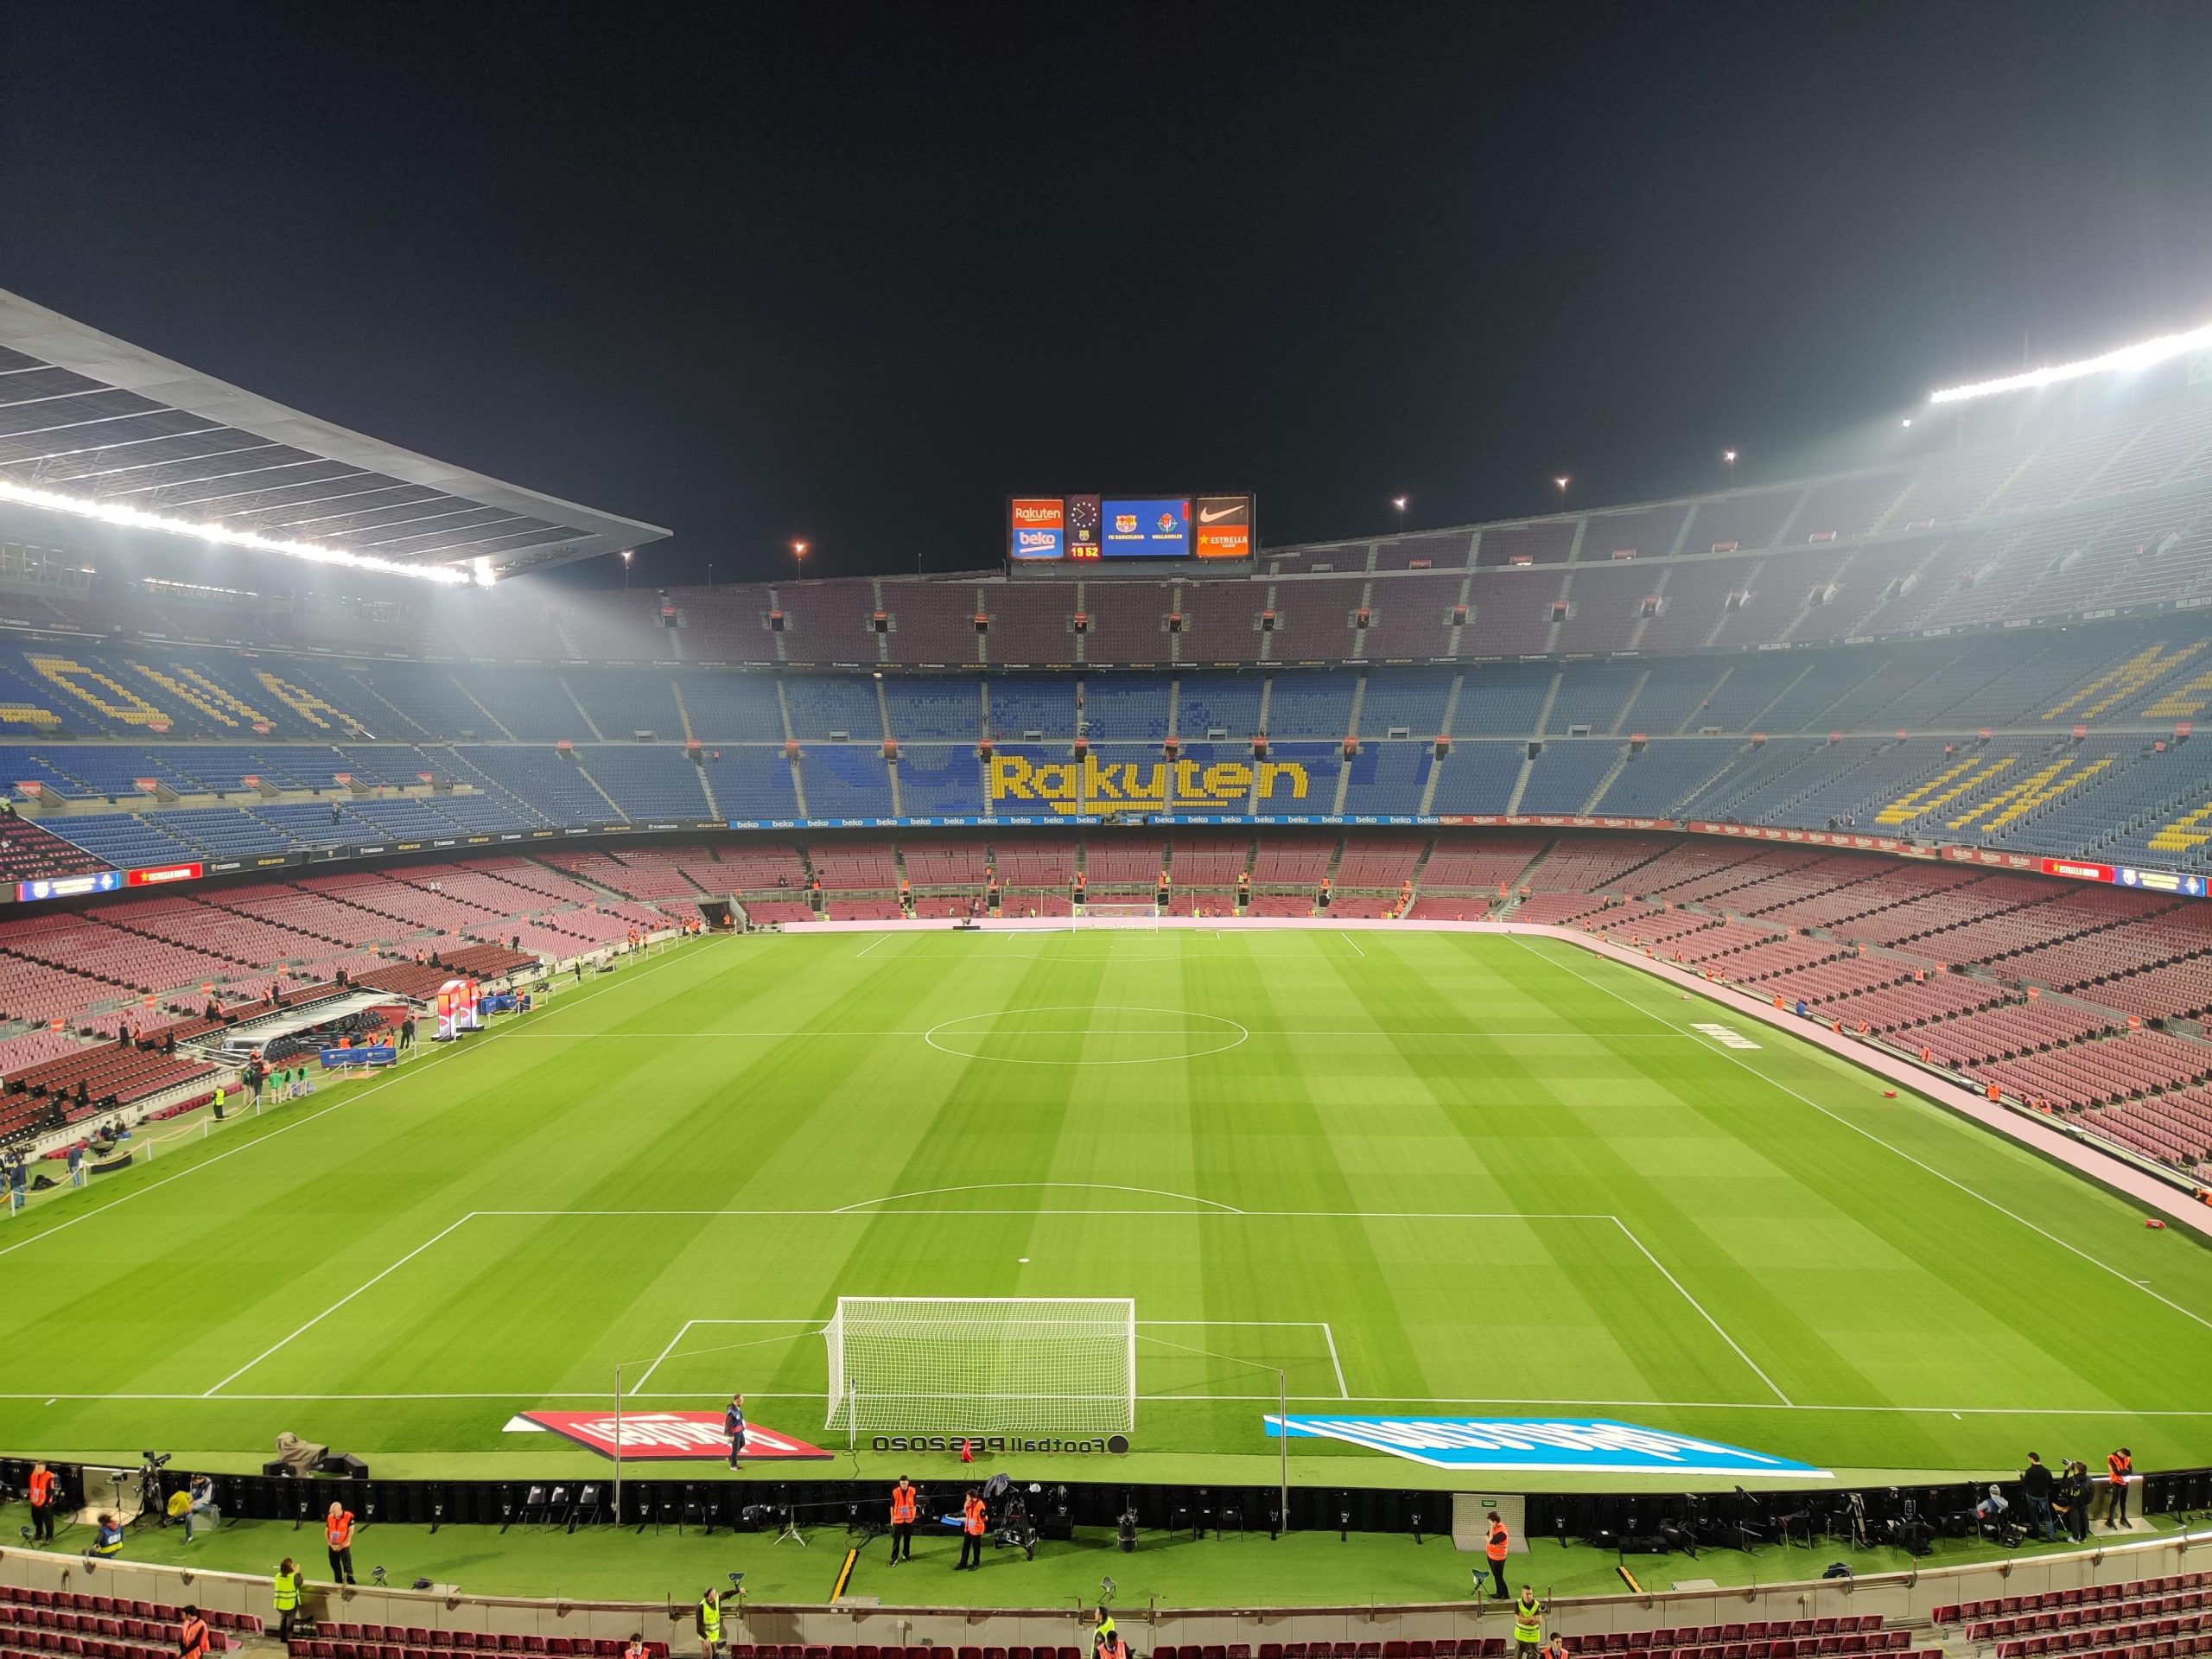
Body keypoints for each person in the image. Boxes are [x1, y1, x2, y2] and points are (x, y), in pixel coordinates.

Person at [2021, 1452, 2054, 1540]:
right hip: (2043, 1496)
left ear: (2032, 1459)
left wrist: (2021, 1476)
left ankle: (2036, 1534)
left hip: (2031, 1495)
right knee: (2047, 1515)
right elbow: (2051, 1485)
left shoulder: (2029, 1471)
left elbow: (2025, 1483)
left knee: (2034, 1514)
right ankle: (2050, 1534)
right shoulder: (2047, 1471)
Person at [324, 1500, 357, 1583]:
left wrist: (341, 1545)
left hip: (344, 1546)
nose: (333, 1514)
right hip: (333, 1545)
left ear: (339, 1510)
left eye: (334, 1512)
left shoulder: (349, 1516)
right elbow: (326, 1531)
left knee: (347, 1565)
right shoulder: (330, 1517)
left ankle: (350, 1582)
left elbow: (351, 1533)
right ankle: (338, 1581)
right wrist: (331, 1544)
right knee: (334, 1564)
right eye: (332, 1512)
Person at [1481, 1509, 1510, 1598]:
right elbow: (1486, 1536)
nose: (1489, 1524)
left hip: (1498, 1559)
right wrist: (1490, 1539)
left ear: (1494, 1522)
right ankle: (1499, 1593)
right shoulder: (1496, 1528)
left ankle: (1506, 1595)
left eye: (1490, 1522)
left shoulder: (1502, 1532)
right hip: (1491, 1556)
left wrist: (1491, 1529)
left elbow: (1490, 1540)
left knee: (1499, 1577)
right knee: (1496, 1576)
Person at [272, 1560, 304, 1642]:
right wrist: (298, 1573)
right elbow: (299, 1582)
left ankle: (282, 1638)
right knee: (289, 1623)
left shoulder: (278, 1576)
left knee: (283, 1620)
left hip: (281, 1603)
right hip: (291, 1603)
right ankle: (289, 1639)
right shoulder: (293, 1576)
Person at [888, 1476, 917, 1563]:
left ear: (908, 1483)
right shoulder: (895, 1492)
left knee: (907, 1539)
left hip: (908, 1519)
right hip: (898, 1519)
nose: (903, 1485)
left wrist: (913, 1516)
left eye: (904, 1483)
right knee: (896, 1540)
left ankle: (906, 1555)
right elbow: (892, 1506)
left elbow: (915, 1504)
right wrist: (892, 1519)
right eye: (901, 1484)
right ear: (899, 1483)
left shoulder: (913, 1491)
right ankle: (894, 1558)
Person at [183, 1472, 219, 1541]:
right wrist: (191, 1498)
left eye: (195, 1481)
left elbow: (205, 1499)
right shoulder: (194, 1481)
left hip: (205, 1504)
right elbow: (191, 1492)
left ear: (201, 1480)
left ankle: (174, 1517)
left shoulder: (209, 1484)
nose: (193, 1482)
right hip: (194, 1503)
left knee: (190, 1509)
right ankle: (189, 1537)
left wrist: (192, 1504)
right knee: (188, 1517)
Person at [27, 1461, 57, 1542]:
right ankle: (39, 1533)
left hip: (45, 1503)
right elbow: (32, 1488)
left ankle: (49, 1537)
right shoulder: (33, 1475)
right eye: (36, 1468)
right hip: (35, 1502)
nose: (37, 1469)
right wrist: (32, 1499)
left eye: (39, 1468)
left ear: (44, 1468)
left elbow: (50, 1491)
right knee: (36, 1519)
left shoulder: (49, 1477)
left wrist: (47, 1503)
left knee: (48, 1521)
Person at [957, 1487, 986, 1570]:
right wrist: (965, 1506)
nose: (966, 1499)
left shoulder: (980, 1505)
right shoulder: (970, 1503)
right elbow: (967, 1514)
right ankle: (963, 1563)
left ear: (973, 1497)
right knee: (965, 1546)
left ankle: (976, 1563)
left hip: (976, 1530)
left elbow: (985, 1518)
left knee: (976, 1548)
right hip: (969, 1528)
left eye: (968, 1497)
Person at [1511, 1586, 1544, 1657]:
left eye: (1530, 1594)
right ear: (1522, 1594)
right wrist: (1532, 1617)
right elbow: (1519, 1620)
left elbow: (1538, 1621)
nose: (1529, 1596)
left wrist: (1524, 1619)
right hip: (1520, 1636)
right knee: (1517, 1657)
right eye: (1527, 1594)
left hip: (1533, 1637)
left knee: (1536, 1657)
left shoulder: (1537, 1604)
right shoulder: (1518, 1603)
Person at [2107, 1446, 2134, 1528]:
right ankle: (2110, 1520)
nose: (2125, 1458)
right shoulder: (2111, 1458)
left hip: (2125, 1482)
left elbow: (2130, 1470)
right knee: (2115, 1501)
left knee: (2123, 1501)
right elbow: (2116, 1472)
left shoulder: (2127, 1458)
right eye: (2125, 1456)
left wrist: (2123, 1472)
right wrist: (2125, 1472)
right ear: (2121, 1453)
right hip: (2116, 1482)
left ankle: (2123, 1518)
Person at [696, 1588, 722, 1659]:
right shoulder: (701, 1606)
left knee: (713, 1656)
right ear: (711, 1595)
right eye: (715, 1593)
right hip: (706, 1638)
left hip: (714, 1637)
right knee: (707, 1656)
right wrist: (705, 1637)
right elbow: (699, 1626)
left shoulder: (716, 1599)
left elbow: (726, 1594)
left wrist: (738, 1590)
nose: (717, 1595)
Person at [723, 1393, 747, 1470]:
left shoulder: (737, 1407)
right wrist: (731, 1435)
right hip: (735, 1433)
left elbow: (739, 1417)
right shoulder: (731, 1412)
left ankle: (731, 1458)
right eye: (741, 1401)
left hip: (739, 1431)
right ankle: (733, 1466)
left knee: (742, 1443)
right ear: (737, 1401)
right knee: (735, 1449)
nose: (742, 1402)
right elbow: (728, 1425)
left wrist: (743, 1423)